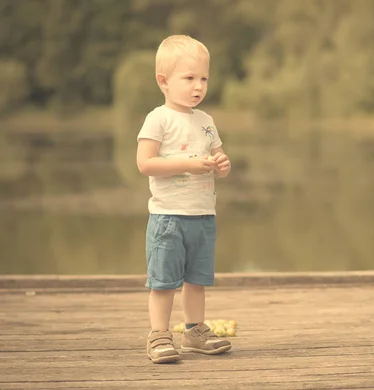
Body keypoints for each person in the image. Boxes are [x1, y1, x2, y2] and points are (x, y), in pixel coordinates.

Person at [136, 34, 232, 364]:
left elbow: (218, 157)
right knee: (163, 282)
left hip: (203, 215)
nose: (198, 86)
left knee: (197, 280)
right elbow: (145, 163)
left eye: (203, 78)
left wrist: (222, 163)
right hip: (168, 218)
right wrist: (189, 165)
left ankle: (194, 332)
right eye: (189, 78)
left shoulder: (205, 122)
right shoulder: (158, 118)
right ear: (164, 81)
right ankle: (160, 335)